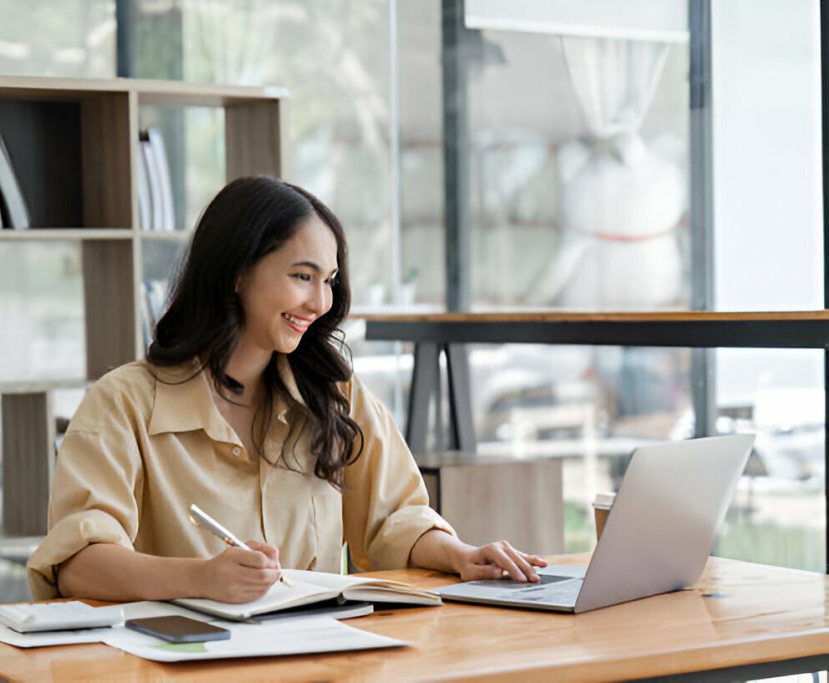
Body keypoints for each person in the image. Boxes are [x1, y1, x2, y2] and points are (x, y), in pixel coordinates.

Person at [27, 176, 546, 603]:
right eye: (303, 276)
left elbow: (394, 519)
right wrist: (204, 579)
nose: (320, 302)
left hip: (318, 655)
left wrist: (458, 553)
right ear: (236, 273)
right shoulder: (124, 402)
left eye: (329, 280)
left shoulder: (334, 392)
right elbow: (79, 563)